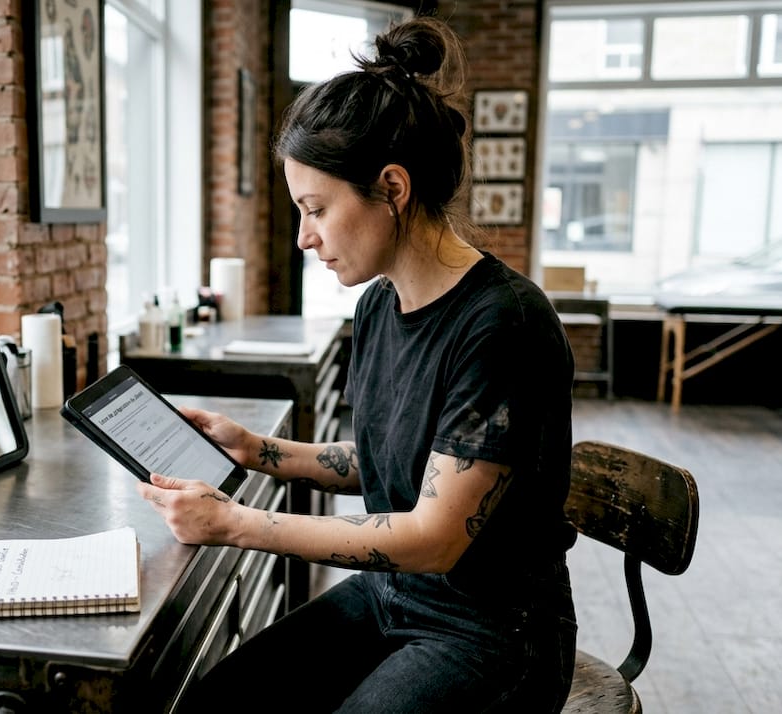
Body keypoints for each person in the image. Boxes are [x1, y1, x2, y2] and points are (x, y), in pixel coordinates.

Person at [138, 14, 578, 713]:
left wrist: (236, 524)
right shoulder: (379, 306)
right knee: (214, 703)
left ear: (393, 189)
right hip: (393, 593)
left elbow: (435, 537)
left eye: (316, 209)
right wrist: (259, 450)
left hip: (492, 632)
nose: (306, 237)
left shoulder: (505, 324)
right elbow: (392, 458)